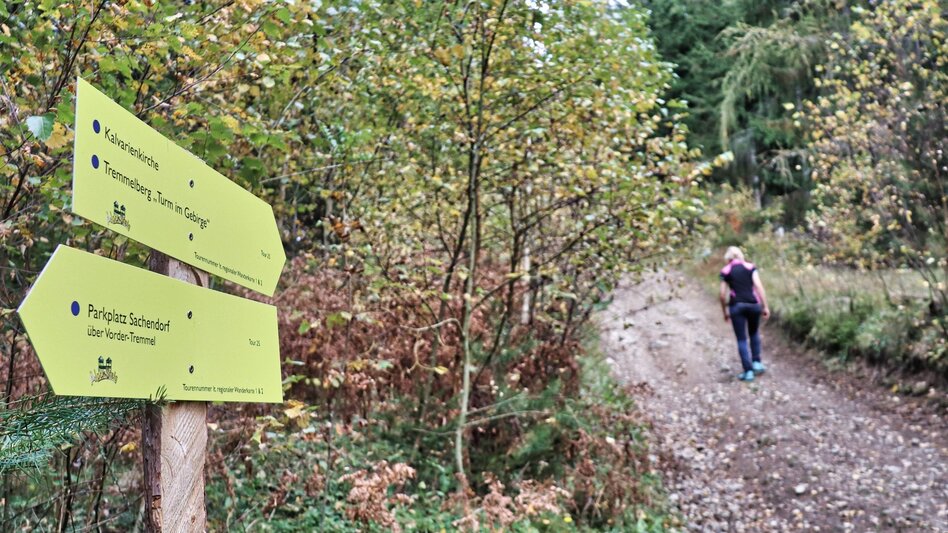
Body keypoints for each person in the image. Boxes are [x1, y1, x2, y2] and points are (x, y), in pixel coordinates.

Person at [719, 246, 771, 381]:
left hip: (737, 306)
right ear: (741, 255)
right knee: (754, 333)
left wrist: (725, 312)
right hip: (754, 305)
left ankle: (748, 372)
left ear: (728, 258)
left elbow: (722, 295)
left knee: (741, 339)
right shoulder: (750, 267)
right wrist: (765, 306)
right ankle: (757, 363)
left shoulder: (726, 271)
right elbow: (758, 286)